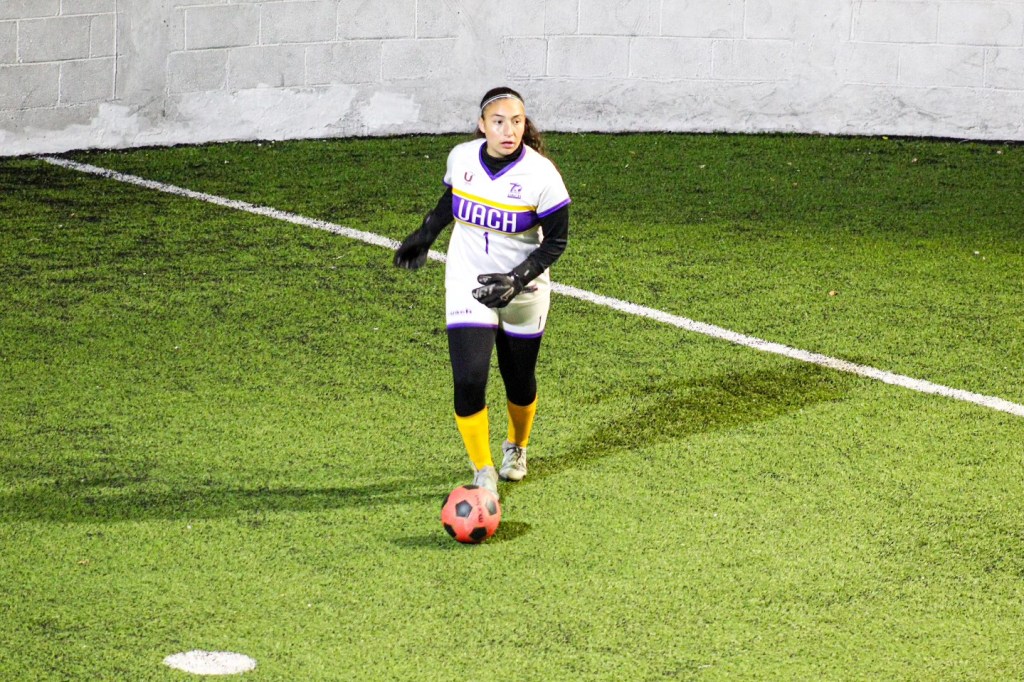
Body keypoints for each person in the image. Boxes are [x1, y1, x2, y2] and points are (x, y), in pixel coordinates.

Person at [393, 86, 571, 499]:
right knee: (469, 379)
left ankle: (517, 447)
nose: (509, 130)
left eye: (517, 122)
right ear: (481, 125)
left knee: (519, 380)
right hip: (468, 281)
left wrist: (518, 278)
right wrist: (426, 234)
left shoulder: (542, 176)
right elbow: (452, 198)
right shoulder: (462, 157)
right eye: (499, 122)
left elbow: (556, 242)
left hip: (523, 290)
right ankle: (483, 469)